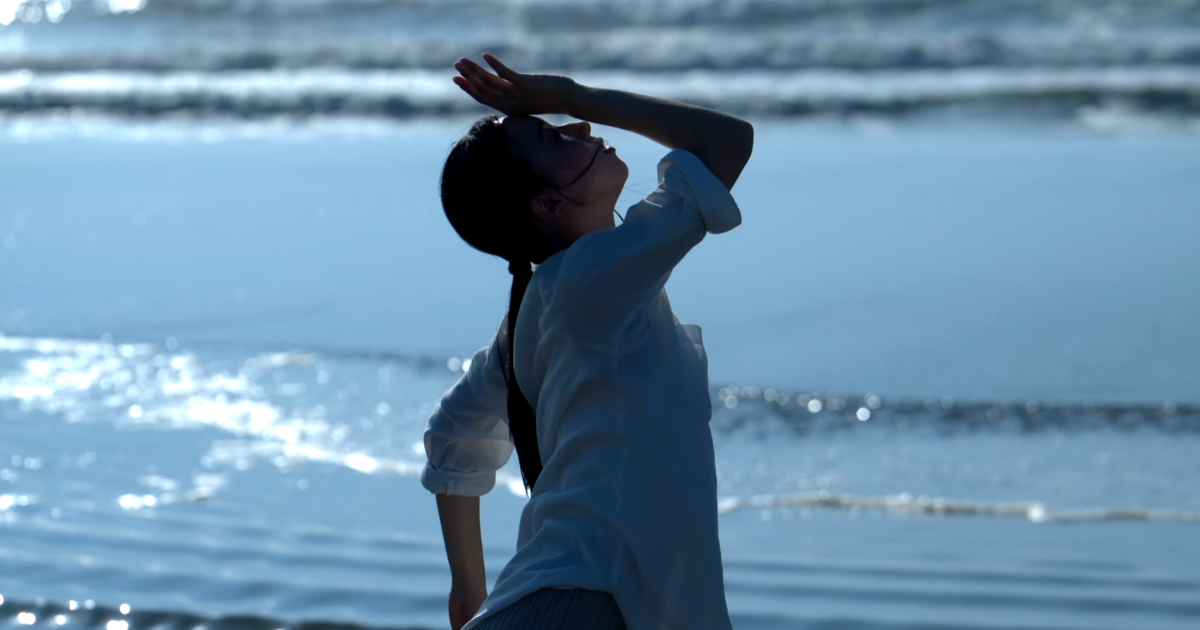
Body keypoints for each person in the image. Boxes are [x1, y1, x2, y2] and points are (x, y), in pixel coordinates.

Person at [421, 53, 754, 630]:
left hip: (553, 597)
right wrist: (572, 94)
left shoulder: (534, 312)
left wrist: (469, 593)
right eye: (554, 136)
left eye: (562, 121)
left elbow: (452, 437)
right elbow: (726, 141)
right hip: (598, 600)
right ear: (549, 204)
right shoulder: (595, 275)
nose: (578, 127)